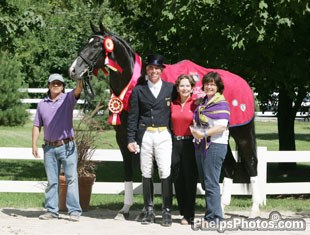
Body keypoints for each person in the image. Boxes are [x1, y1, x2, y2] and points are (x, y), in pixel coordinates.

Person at [127, 54, 174, 226]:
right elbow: (133, 117)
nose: (153, 71)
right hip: (145, 134)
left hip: (163, 134)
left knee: (164, 170)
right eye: (150, 68)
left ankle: (166, 211)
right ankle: (149, 210)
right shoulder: (139, 90)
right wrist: (131, 138)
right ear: (146, 70)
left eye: (156, 68)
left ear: (161, 70)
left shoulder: (170, 88)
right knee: (146, 171)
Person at [32, 73, 83, 221]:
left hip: (67, 146)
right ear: (48, 85)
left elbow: (78, 89)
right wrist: (34, 144)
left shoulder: (68, 99)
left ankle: (74, 211)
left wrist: (80, 78)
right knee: (52, 181)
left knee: (71, 178)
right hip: (49, 147)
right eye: (53, 83)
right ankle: (51, 211)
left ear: (62, 86)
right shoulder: (42, 104)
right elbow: (37, 125)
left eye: (59, 83)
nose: (56, 85)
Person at [190, 72, 230, 223]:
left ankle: (215, 217)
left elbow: (221, 126)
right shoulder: (203, 102)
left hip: (215, 144)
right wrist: (195, 129)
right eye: (207, 83)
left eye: (213, 84)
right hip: (201, 144)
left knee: (211, 182)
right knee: (206, 182)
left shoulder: (221, 103)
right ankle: (211, 215)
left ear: (218, 86)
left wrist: (204, 133)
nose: (209, 86)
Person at [170, 74, 198, 225]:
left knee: (189, 178)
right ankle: (183, 211)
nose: (185, 88)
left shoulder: (196, 104)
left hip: (190, 144)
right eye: (182, 85)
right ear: (177, 88)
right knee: (177, 177)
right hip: (175, 143)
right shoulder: (172, 104)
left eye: (188, 85)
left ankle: (190, 214)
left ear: (192, 88)